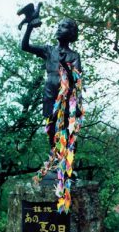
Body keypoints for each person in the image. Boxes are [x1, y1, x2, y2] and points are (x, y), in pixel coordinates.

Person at [21, 16, 82, 148]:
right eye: (58, 26)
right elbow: (25, 46)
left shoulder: (74, 55)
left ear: (71, 32)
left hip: (66, 93)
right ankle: (54, 156)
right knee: (51, 125)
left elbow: (76, 78)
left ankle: (66, 160)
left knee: (66, 126)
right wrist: (30, 27)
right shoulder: (48, 50)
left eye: (64, 26)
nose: (59, 28)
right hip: (50, 91)